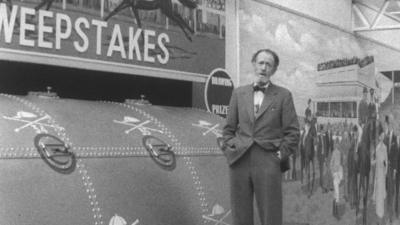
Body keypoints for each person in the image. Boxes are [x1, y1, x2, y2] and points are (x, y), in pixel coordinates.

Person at [222, 49, 300, 225]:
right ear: (254, 65)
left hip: (268, 161)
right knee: (240, 215)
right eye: (261, 63)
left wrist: (279, 156)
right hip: (239, 160)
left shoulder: (283, 95)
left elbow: (293, 133)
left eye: (268, 64)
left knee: (270, 216)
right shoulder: (238, 93)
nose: (264, 68)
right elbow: (228, 130)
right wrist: (231, 150)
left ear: (273, 70)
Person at [372, 126, 388, 225]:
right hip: (377, 175)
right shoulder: (377, 148)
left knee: (381, 195)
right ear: (379, 137)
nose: (382, 137)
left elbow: (386, 160)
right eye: (381, 136)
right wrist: (372, 161)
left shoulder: (385, 147)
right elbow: (374, 161)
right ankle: (378, 216)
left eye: (383, 136)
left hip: (382, 174)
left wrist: (385, 166)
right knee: (378, 195)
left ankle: (381, 217)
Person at [330, 139, 343, 219]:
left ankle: (334, 211)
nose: (337, 146)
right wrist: (333, 173)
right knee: (337, 192)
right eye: (336, 144)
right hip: (335, 174)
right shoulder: (334, 153)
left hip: (339, 174)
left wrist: (340, 174)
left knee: (336, 193)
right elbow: (331, 164)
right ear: (335, 145)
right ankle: (337, 213)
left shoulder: (339, 153)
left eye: (338, 144)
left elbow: (340, 164)